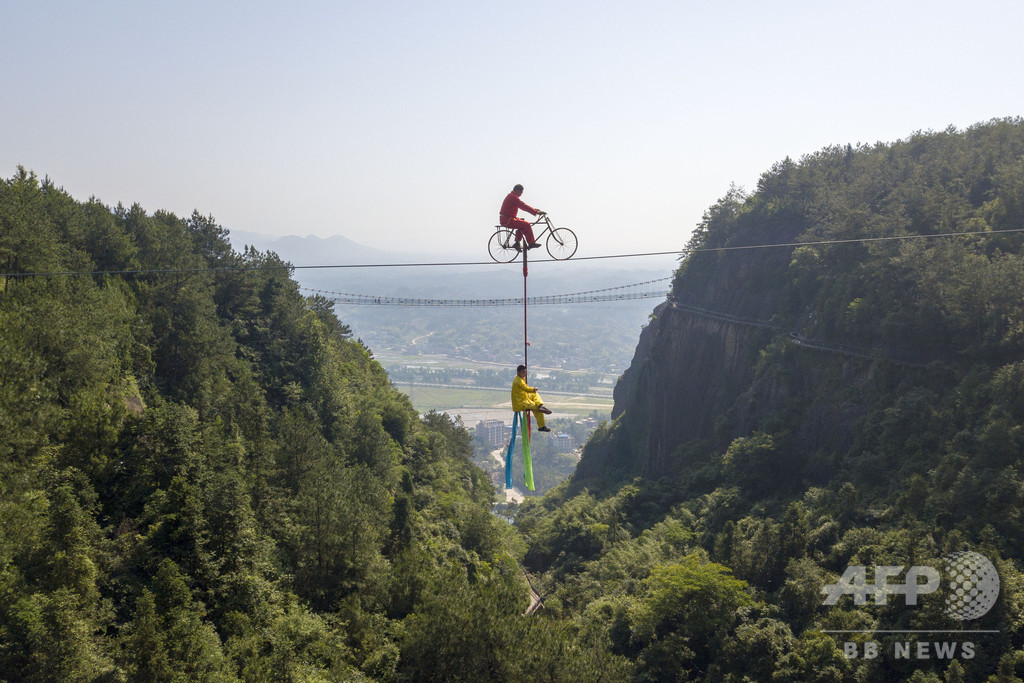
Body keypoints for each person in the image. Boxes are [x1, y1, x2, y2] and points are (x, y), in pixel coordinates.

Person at [499, 184, 544, 250]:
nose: (521, 194)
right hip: (507, 220)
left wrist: (534, 210)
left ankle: (517, 242)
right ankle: (531, 243)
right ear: (518, 191)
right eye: (521, 192)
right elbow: (523, 206)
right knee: (527, 224)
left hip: (507, 219)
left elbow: (523, 205)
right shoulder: (513, 197)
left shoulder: (511, 196)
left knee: (522, 222)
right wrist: (535, 212)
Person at [511, 364, 552, 431]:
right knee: (537, 409)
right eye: (523, 372)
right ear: (518, 372)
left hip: (524, 398)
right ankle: (541, 426)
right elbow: (525, 388)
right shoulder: (518, 381)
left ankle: (540, 405)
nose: (524, 374)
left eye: (525, 372)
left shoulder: (519, 378)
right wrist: (533, 389)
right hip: (521, 403)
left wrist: (533, 391)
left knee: (535, 395)